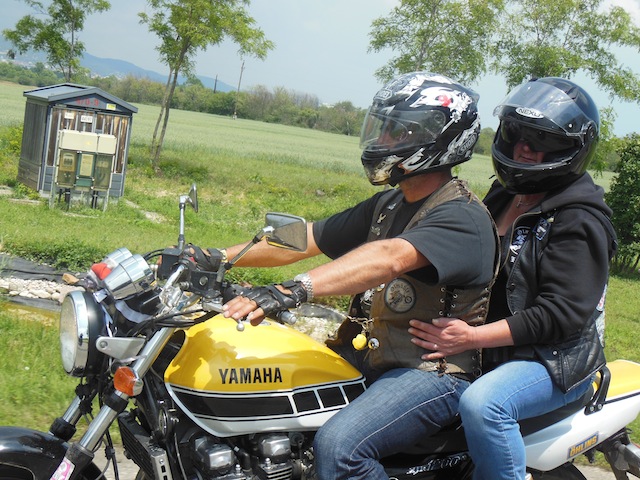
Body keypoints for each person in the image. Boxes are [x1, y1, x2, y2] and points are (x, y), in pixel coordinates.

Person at [189, 72, 499, 479]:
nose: (381, 141)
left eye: (396, 132)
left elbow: (388, 258)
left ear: (437, 138)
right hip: (370, 356)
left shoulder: (462, 216)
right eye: (382, 128)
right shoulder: (390, 203)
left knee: (340, 447)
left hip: (431, 374)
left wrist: (292, 290)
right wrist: (215, 257)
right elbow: (307, 237)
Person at [408, 77, 618, 480]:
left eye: (543, 141)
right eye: (517, 134)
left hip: (554, 360)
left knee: (484, 405)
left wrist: (470, 338)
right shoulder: (503, 196)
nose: (525, 148)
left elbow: (561, 315)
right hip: (495, 348)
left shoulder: (579, 219)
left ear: (573, 149)